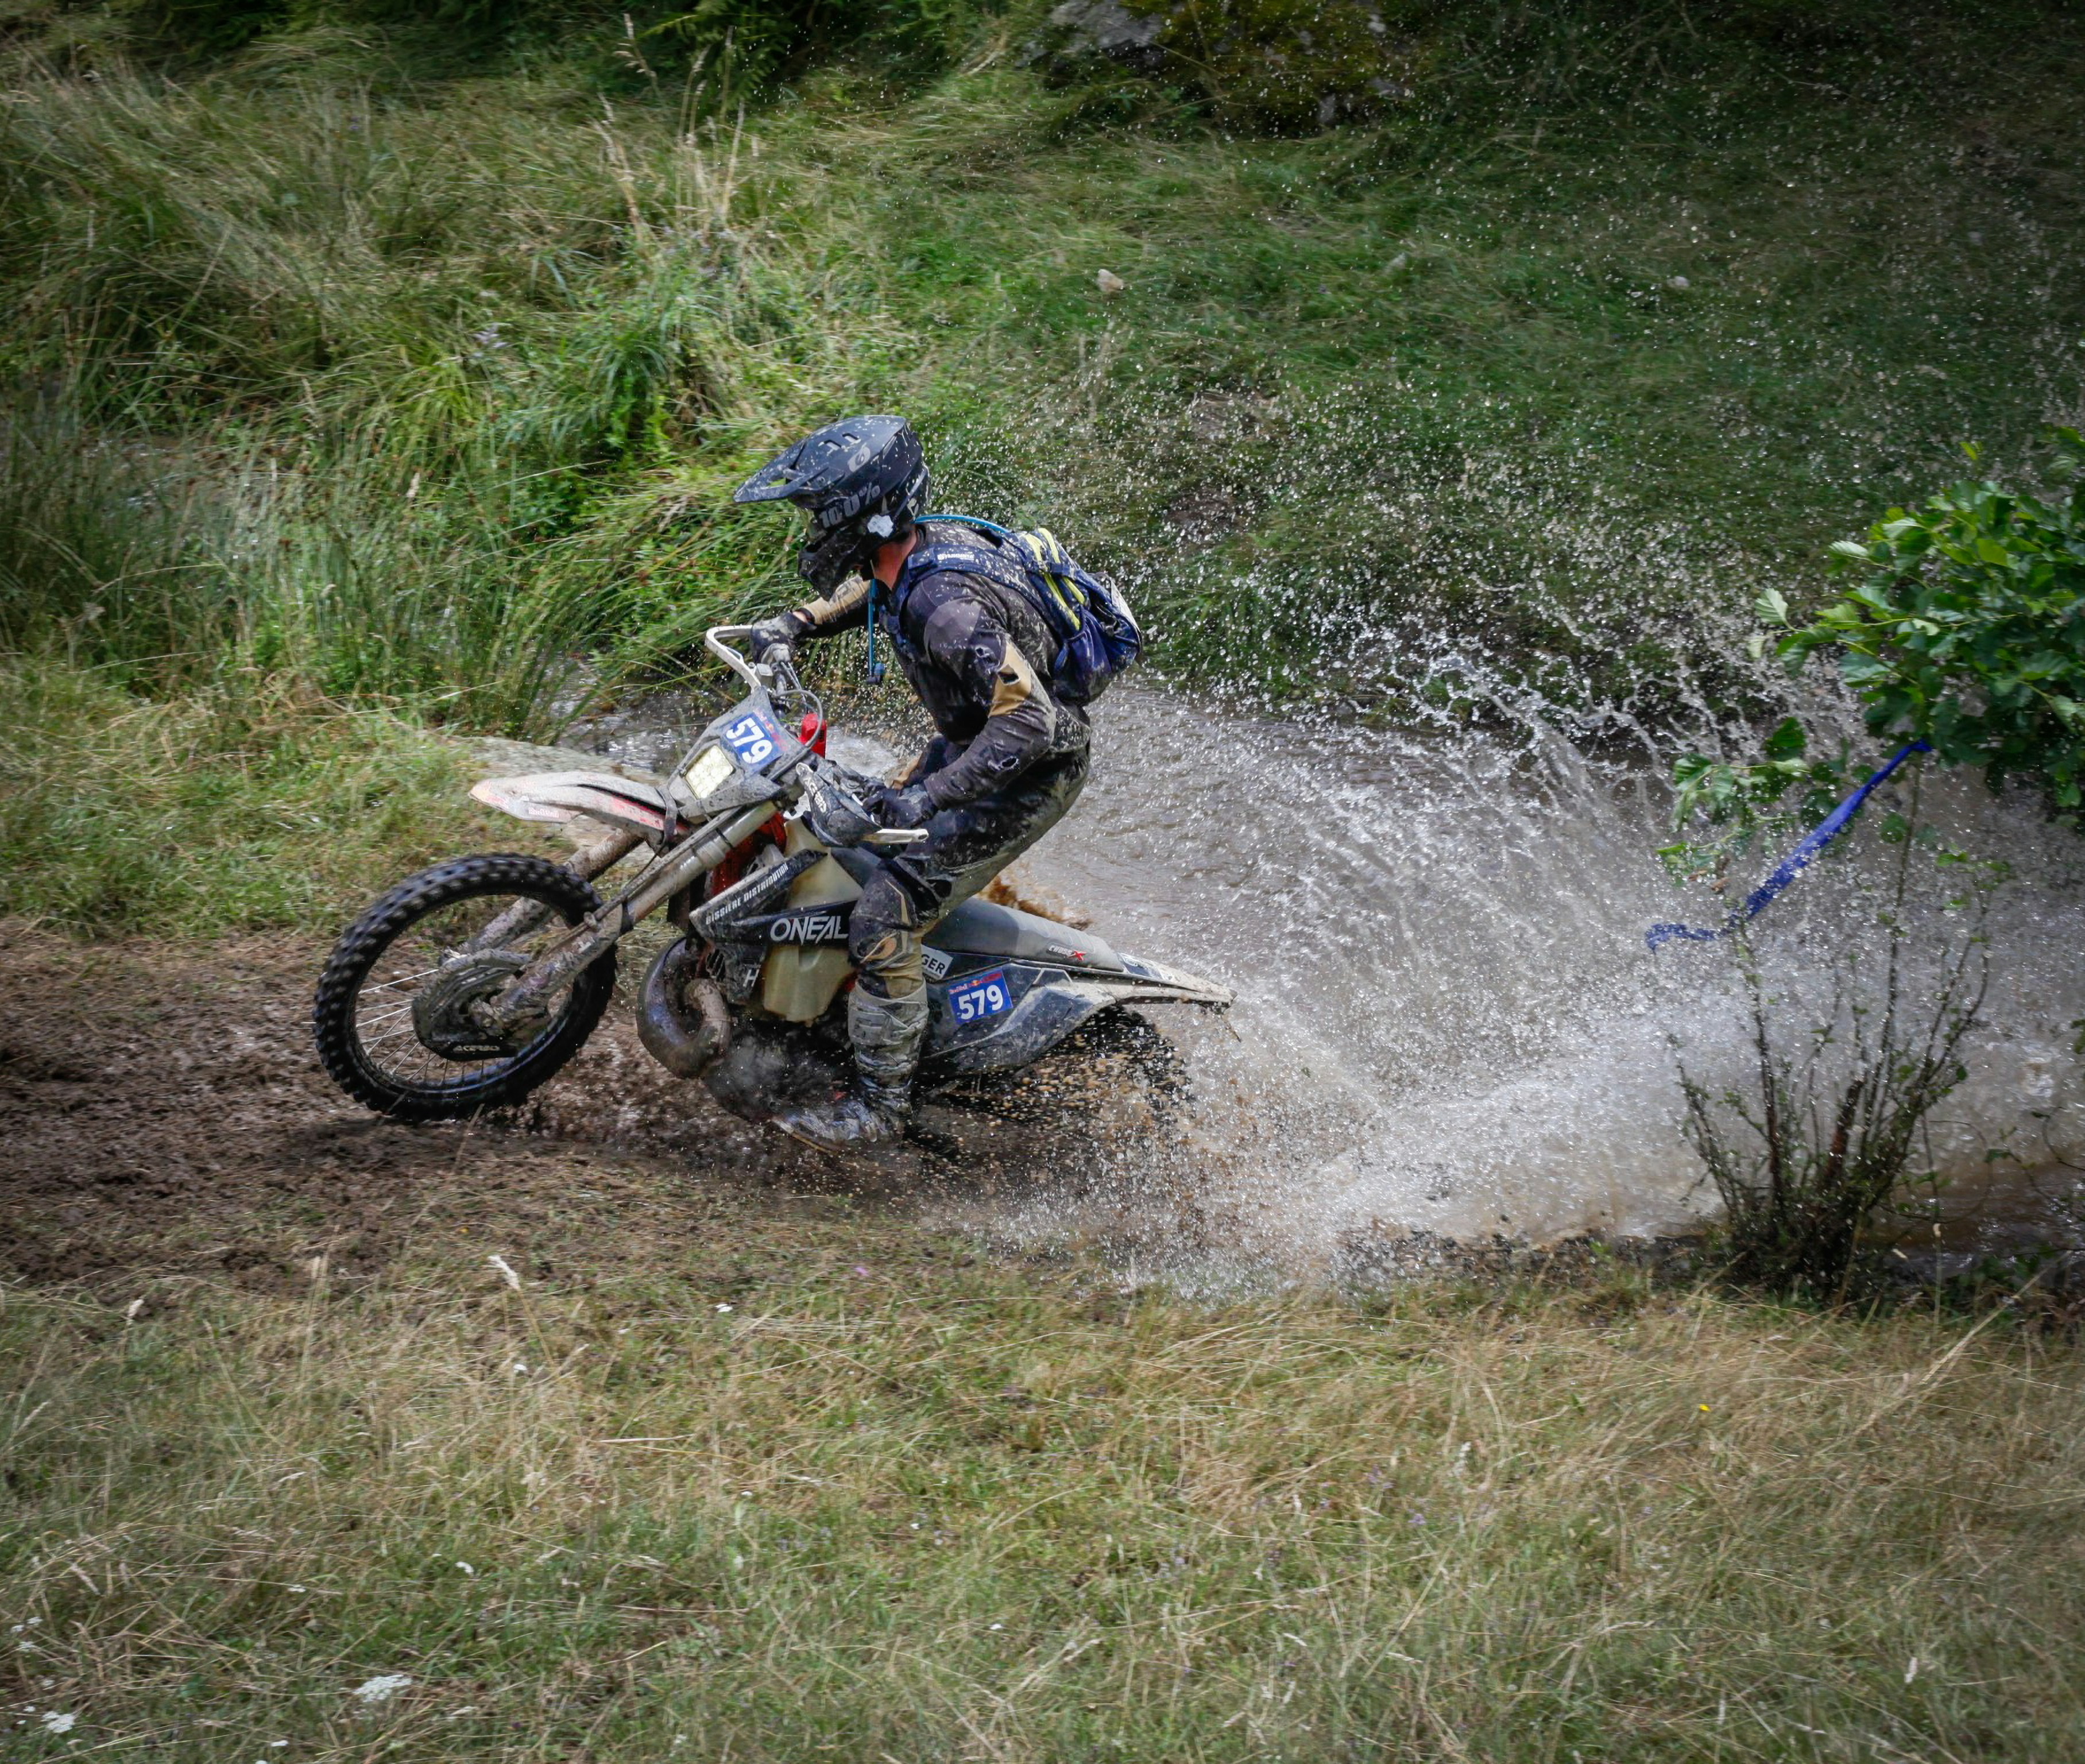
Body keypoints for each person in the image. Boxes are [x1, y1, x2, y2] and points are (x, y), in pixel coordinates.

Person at [735, 415, 1090, 1151]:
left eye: (815, 513)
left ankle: (879, 1108)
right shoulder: (913, 556)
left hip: (1027, 772)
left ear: (857, 512)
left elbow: (1029, 723)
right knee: (856, 844)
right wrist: (796, 623)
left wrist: (928, 796)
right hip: (979, 747)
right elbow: (875, 595)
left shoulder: (944, 608)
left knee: (882, 914)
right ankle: (866, 1002)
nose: (809, 529)